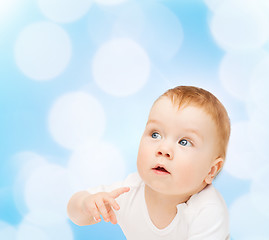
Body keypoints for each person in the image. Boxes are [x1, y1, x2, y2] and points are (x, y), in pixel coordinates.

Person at [67, 86, 231, 240]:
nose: (163, 149)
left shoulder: (208, 211)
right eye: (155, 134)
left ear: (211, 170)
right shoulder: (129, 191)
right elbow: (75, 214)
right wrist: (86, 205)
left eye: (184, 142)